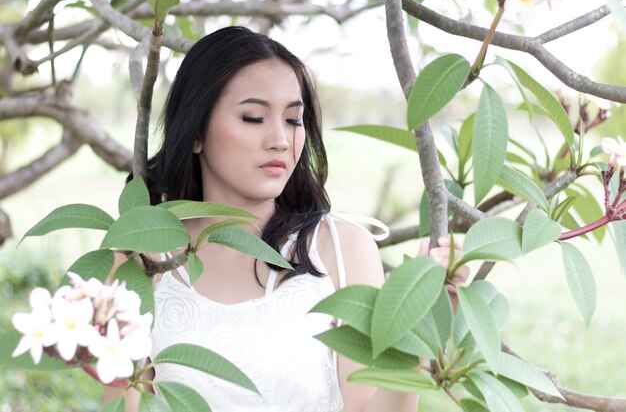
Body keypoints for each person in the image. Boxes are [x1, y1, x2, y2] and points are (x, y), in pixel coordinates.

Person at [103, 26, 467, 412]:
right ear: (195, 132)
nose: (280, 139)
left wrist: (416, 326)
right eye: (253, 117)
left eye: (294, 120)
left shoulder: (342, 251)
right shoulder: (140, 261)